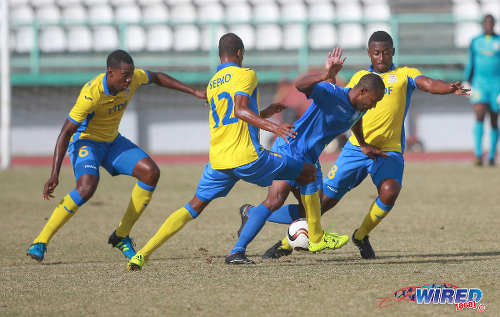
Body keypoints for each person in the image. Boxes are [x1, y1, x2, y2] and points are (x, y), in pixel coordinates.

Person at [257, 31, 470, 260]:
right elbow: (350, 112)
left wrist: (447, 88)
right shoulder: (360, 78)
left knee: (390, 192)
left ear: (393, 52)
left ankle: (361, 235)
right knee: (319, 205)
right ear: (369, 53)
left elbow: (427, 83)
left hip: (389, 152)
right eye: (376, 52)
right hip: (357, 149)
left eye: (386, 52)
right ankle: (283, 240)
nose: (381, 57)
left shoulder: (404, 75)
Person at [126, 33, 316, 270]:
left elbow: (232, 116)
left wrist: (265, 112)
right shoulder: (246, 74)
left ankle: (142, 254)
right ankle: (313, 233)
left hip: (218, 160)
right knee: (308, 173)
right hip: (249, 157)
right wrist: (275, 126)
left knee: (192, 206)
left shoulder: (214, 82)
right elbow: (239, 111)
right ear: (240, 53)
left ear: (219, 55)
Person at [26, 49, 206, 262]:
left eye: (131, 74)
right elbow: (66, 132)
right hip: (86, 142)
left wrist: (194, 92)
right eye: (124, 76)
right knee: (86, 187)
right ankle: (41, 240)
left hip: (112, 142)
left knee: (150, 173)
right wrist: (54, 173)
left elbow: (157, 77)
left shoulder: (134, 77)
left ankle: (121, 235)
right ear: (110, 72)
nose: (130, 80)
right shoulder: (91, 94)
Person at [236, 48, 386, 257]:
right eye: (374, 100)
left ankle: (251, 213)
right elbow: (300, 85)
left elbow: (355, 120)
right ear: (362, 92)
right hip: (290, 148)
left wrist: (362, 144)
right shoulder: (332, 93)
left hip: (309, 158)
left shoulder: (359, 108)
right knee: (276, 200)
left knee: (306, 211)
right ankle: (240, 247)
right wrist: (325, 75)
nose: (375, 105)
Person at [464, 14, 500, 166]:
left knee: (494, 119)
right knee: (479, 114)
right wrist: (467, 81)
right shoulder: (475, 41)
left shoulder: (498, 40)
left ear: (494, 24)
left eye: (491, 23)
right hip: (479, 84)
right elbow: (470, 62)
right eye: (486, 23)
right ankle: (478, 155)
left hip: (497, 85)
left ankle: (492, 156)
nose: (489, 25)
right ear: (482, 25)